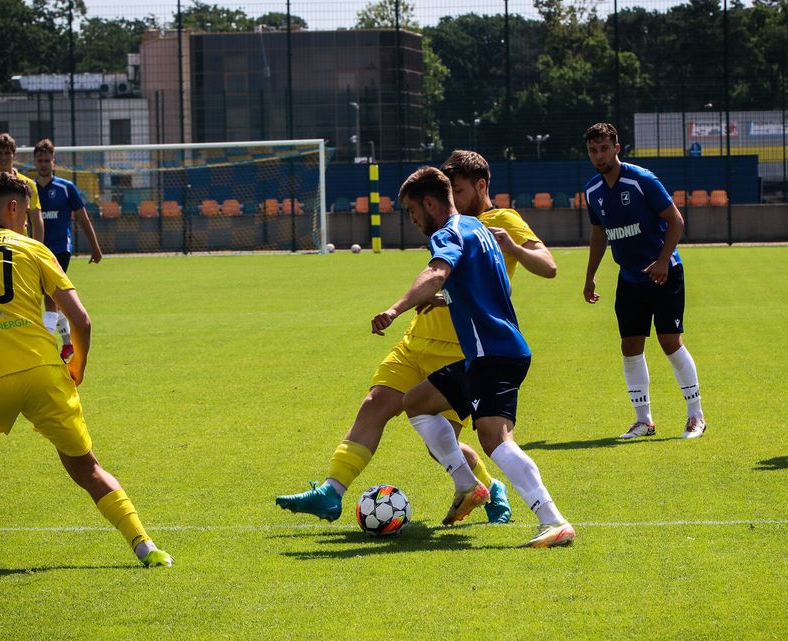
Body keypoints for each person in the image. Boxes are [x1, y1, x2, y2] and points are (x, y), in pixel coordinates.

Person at [275, 151, 556, 525]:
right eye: (449, 190)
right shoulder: (462, 229)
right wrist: (443, 297)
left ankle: (500, 493)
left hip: (464, 348)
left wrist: (512, 247)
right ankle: (332, 491)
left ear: (480, 186)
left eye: (458, 189)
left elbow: (547, 266)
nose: (453, 198)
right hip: (419, 339)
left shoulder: (494, 224)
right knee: (377, 403)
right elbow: (461, 280)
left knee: (452, 442)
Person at [0, 172, 172, 568]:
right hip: (41, 373)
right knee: (86, 466)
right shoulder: (32, 248)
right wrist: (77, 366)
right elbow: (81, 321)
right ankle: (145, 546)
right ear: (14, 207)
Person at [373, 167, 574, 548]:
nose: (415, 222)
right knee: (415, 402)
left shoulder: (449, 233)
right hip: (487, 353)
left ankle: (553, 519)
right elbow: (478, 281)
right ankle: (468, 485)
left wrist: (396, 308)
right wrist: (444, 298)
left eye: (415, 214)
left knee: (495, 439)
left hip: (493, 353)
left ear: (430, 203)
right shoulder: (475, 227)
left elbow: (437, 271)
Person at [582, 122, 707, 440]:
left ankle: (696, 416)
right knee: (630, 347)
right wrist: (590, 276)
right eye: (593, 151)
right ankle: (643, 421)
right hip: (629, 278)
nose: (599, 156)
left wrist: (664, 260)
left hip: (665, 274)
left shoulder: (642, 180)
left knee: (670, 342)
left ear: (616, 148)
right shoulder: (593, 191)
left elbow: (676, 219)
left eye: (604, 149)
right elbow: (599, 234)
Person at [34, 139, 103, 361]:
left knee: (49, 295)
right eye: (40, 160)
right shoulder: (29, 189)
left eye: (47, 160)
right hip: (37, 250)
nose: (43, 164)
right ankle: (66, 344)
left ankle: (45, 346)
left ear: (53, 162)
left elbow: (83, 218)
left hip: (61, 249)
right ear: (35, 162)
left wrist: (95, 247)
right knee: (52, 298)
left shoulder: (66, 188)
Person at [0, 133, 44, 242]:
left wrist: (38, 249)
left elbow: (36, 220)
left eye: (7, 153)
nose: (3, 157)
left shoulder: (28, 184)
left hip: (20, 245)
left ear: (14, 155)